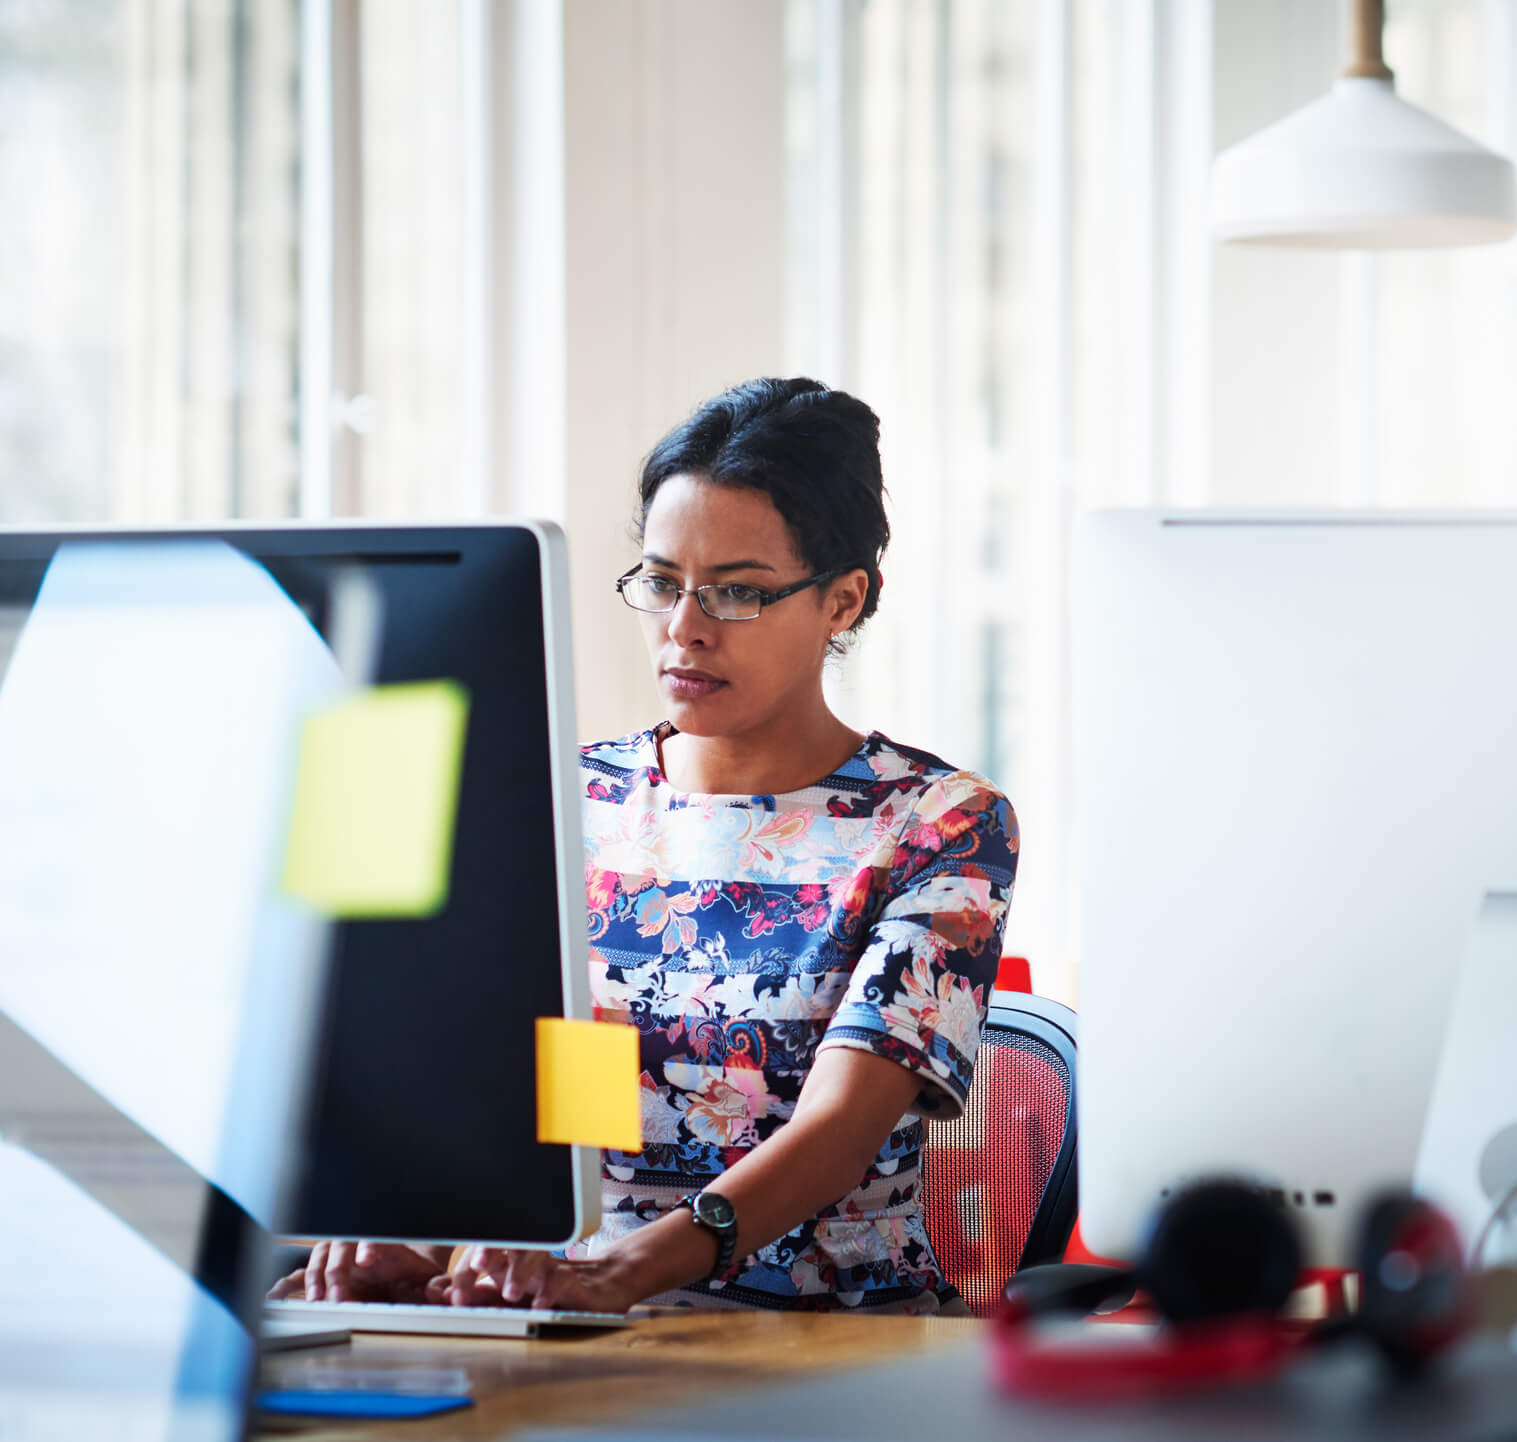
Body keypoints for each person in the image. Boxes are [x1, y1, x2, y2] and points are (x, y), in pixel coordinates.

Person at [271, 378, 1018, 1314]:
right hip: (580, 1317)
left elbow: (839, 1131)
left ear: (841, 601)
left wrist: (632, 1271)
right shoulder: (572, 795)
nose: (683, 629)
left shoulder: (939, 821)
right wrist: (421, 1242)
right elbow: (573, 1085)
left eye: (738, 592)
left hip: (829, 1341)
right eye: (663, 583)